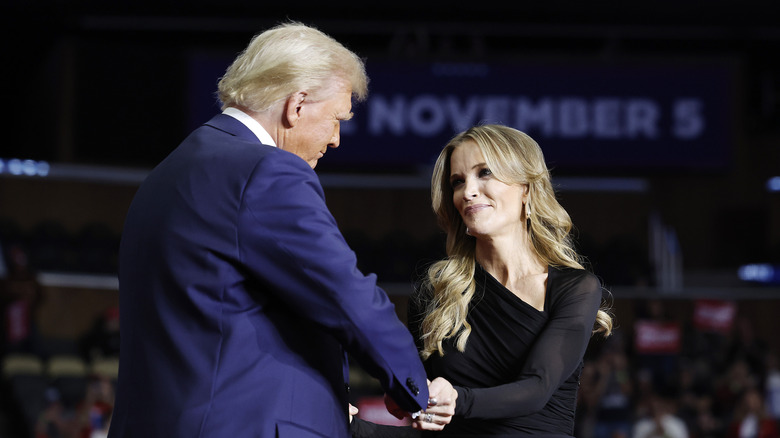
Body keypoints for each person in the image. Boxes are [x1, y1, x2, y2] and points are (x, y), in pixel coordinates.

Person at [108, 22, 453, 438]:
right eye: (336, 119)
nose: (337, 139)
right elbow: (344, 293)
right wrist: (412, 388)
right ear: (297, 104)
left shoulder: (167, 173)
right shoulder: (265, 170)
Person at [352, 124, 613, 437]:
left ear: (526, 188)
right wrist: (350, 422)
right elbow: (427, 417)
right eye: (457, 182)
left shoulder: (575, 287)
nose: (468, 191)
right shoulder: (436, 293)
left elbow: (537, 387)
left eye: (484, 172)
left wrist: (457, 400)